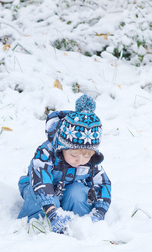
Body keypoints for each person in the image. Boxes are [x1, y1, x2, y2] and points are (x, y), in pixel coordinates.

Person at [17, 95, 111, 234]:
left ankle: (77, 226)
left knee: (79, 195)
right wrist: (52, 212)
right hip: (40, 188)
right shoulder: (46, 152)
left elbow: (103, 184)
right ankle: (37, 227)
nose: (80, 161)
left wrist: (99, 212)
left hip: (68, 189)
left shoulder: (90, 161)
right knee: (40, 198)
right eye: (74, 155)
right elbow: (40, 180)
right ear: (62, 147)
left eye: (87, 155)